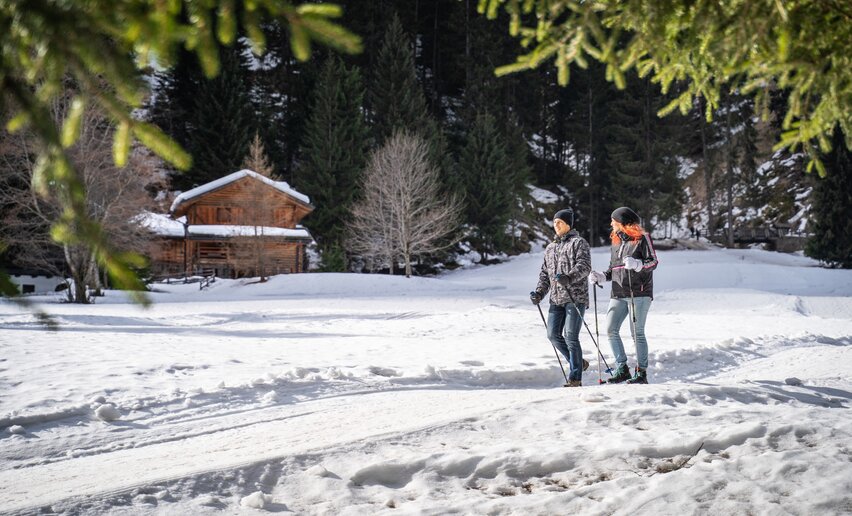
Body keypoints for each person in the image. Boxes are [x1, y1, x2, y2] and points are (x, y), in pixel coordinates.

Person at [588, 207, 658, 384]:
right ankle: (622, 368)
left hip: (639, 292)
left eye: (614, 220)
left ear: (622, 222)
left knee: (637, 333)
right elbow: (614, 269)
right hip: (618, 292)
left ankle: (641, 372)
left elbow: (654, 262)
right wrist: (601, 276)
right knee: (611, 329)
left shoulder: (643, 238)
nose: (611, 223)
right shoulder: (616, 241)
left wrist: (637, 264)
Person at [530, 208, 592, 387]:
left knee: (571, 336)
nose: (555, 225)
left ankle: (575, 378)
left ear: (568, 224)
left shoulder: (579, 243)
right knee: (553, 335)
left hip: (575, 296)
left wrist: (569, 277)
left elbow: (585, 266)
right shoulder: (550, 247)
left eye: (559, 222)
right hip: (556, 299)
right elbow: (544, 274)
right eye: (554, 222)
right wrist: (540, 293)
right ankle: (579, 362)